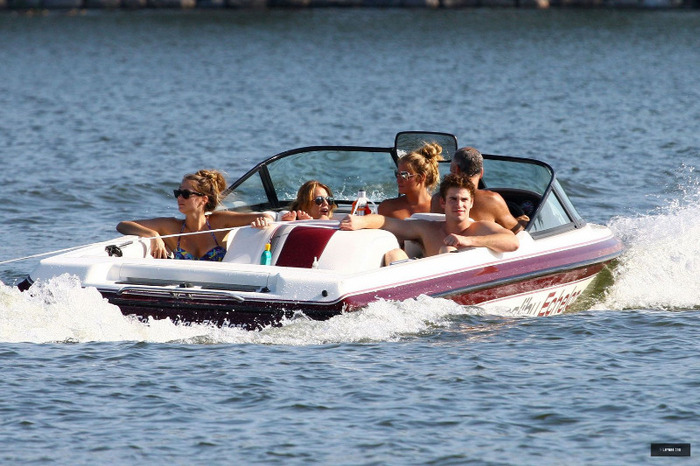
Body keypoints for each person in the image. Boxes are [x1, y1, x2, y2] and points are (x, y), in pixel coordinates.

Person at [340, 173, 519, 264]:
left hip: (460, 292)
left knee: (447, 250)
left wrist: (467, 240)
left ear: (471, 203)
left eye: (464, 200)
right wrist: (360, 222)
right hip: (424, 296)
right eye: (453, 199)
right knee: (394, 254)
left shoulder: (480, 228)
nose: (459, 205)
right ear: (442, 202)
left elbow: (512, 242)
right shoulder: (426, 228)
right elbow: (387, 222)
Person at [117, 169, 273, 261]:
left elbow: (267, 217)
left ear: (203, 199)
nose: (179, 198)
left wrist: (262, 221)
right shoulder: (171, 226)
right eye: (178, 193)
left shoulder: (220, 221)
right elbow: (122, 225)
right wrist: (152, 234)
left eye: (185, 194)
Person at [377, 142, 443, 219]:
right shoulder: (387, 208)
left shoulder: (440, 209)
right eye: (397, 174)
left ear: (421, 177)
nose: (398, 180)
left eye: (404, 175)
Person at [250, 180, 337, 229]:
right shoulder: (285, 216)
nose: (326, 204)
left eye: (329, 200)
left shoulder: (340, 221)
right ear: (304, 205)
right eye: (319, 200)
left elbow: (324, 220)